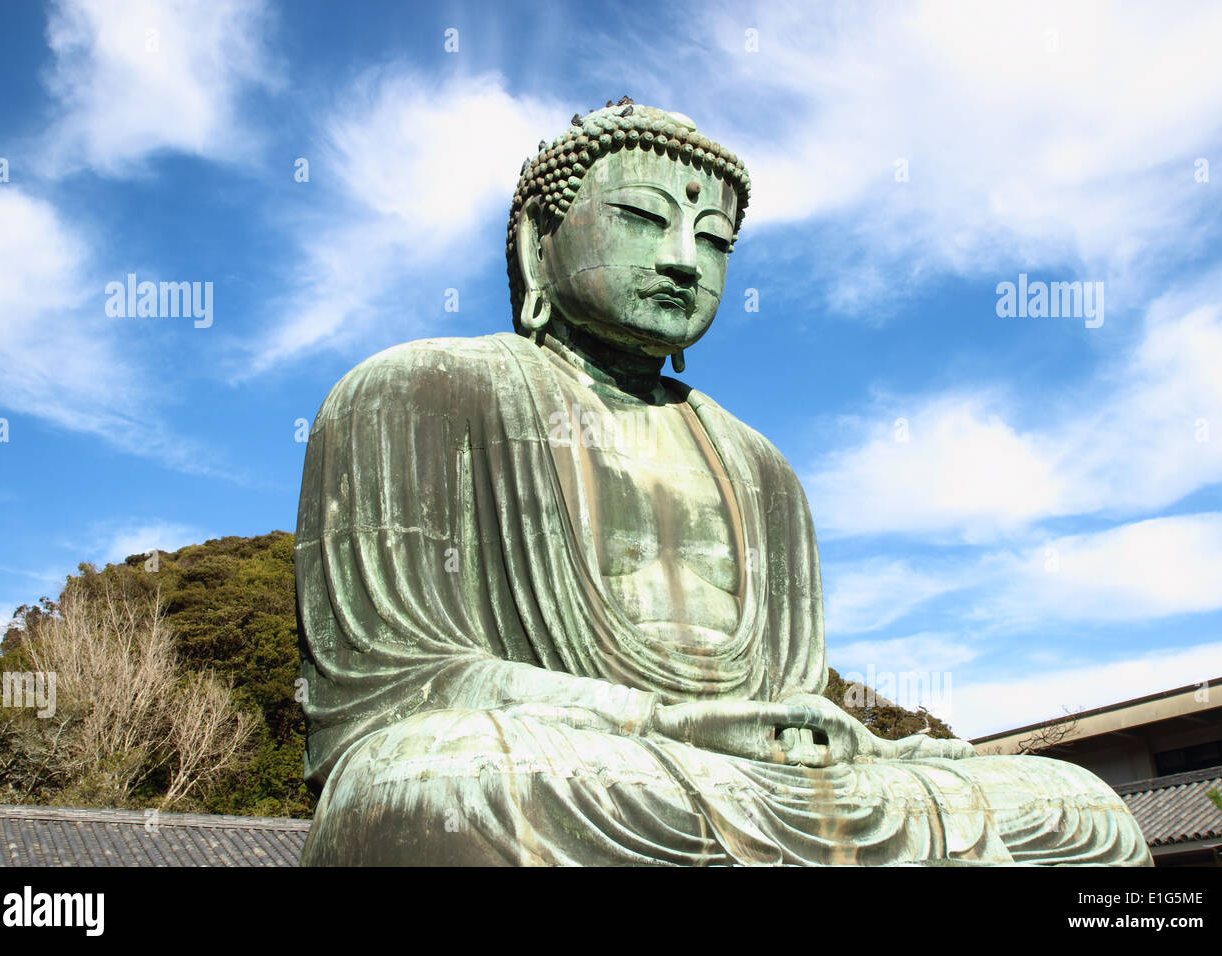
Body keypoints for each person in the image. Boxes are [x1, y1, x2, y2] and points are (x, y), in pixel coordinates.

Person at [294, 101, 1152, 865]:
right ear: (534, 242)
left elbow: (792, 698)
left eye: (713, 240)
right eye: (641, 218)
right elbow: (396, 691)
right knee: (430, 787)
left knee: (1083, 807)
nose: (683, 260)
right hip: (583, 765)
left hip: (751, 784)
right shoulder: (417, 392)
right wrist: (661, 722)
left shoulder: (761, 466)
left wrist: (851, 748)